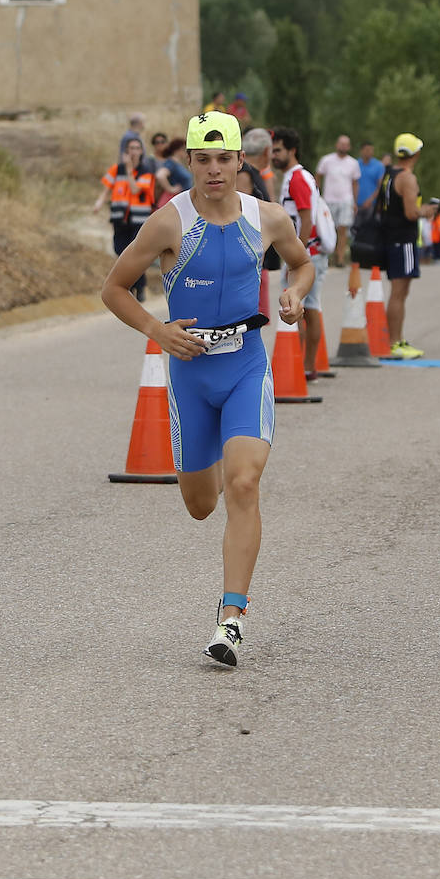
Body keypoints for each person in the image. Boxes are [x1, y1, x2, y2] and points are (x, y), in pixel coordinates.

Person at [100, 110, 313, 666]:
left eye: (225, 158)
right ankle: (212, 454)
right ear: (188, 163)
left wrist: (294, 295)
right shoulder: (168, 223)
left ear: (241, 160)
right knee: (200, 504)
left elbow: (302, 264)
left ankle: (230, 621)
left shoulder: (267, 218)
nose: (215, 170)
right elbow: (115, 288)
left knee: (244, 483)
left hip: (245, 364)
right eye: (203, 160)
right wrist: (157, 330)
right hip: (191, 376)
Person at [272, 128, 328, 378]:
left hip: (308, 252)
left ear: (291, 150)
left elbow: (306, 218)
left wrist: (297, 256)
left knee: (305, 308)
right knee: (308, 307)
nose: (274, 155)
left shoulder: (297, 178)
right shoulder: (293, 177)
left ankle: (305, 366)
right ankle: (305, 365)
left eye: (278, 150)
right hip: (307, 251)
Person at [379, 133, 439, 359]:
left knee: (399, 292)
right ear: (417, 153)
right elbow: (411, 212)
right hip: (403, 239)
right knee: (399, 292)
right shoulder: (407, 178)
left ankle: (397, 339)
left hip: (391, 237)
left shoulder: (389, 175)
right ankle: (394, 342)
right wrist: (427, 211)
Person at [93, 137, 157, 301]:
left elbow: (135, 190)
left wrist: (129, 171)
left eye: (137, 148)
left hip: (138, 219)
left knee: (135, 254)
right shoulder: (116, 169)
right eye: (131, 148)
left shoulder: (146, 171)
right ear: (126, 151)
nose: (133, 151)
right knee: (119, 250)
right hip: (120, 217)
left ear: (141, 151)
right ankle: (133, 284)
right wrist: (99, 203)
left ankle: (139, 287)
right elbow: (107, 189)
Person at [316, 135, 362, 267]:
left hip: (345, 200)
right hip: (328, 199)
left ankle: (340, 258)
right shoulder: (327, 160)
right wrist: (317, 196)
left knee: (343, 229)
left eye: (345, 144)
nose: (343, 146)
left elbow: (355, 183)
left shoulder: (353, 163)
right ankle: (328, 255)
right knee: (328, 228)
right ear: (337, 145)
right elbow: (318, 177)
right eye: (341, 144)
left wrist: (354, 202)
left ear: (349, 147)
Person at [355, 141, 385, 211]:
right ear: (361, 151)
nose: (370, 152)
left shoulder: (379, 166)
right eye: (367, 150)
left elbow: (380, 186)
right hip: (356, 204)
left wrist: (370, 200)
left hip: (372, 204)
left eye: (372, 150)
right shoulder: (355, 164)